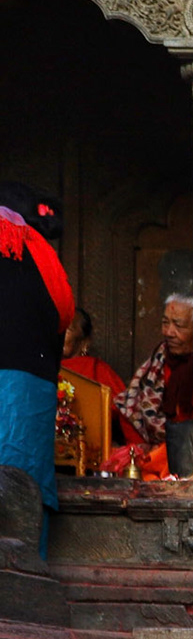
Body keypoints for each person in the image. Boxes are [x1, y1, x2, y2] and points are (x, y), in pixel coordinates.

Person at [0, 182, 74, 552]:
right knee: (23, 488)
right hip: (29, 390)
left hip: (21, 385)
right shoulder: (43, 255)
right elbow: (64, 312)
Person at [116, 294, 193, 478]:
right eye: (165, 323)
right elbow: (131, 406)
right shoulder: (160, 357)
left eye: (179, 325)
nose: (168, 332)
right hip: (158, 450)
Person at [61, 309, 126, 401]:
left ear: (85, 343)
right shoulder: (43, 367)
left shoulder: (97, 370)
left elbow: (120, 408)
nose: (58, 334)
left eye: (67, 330)